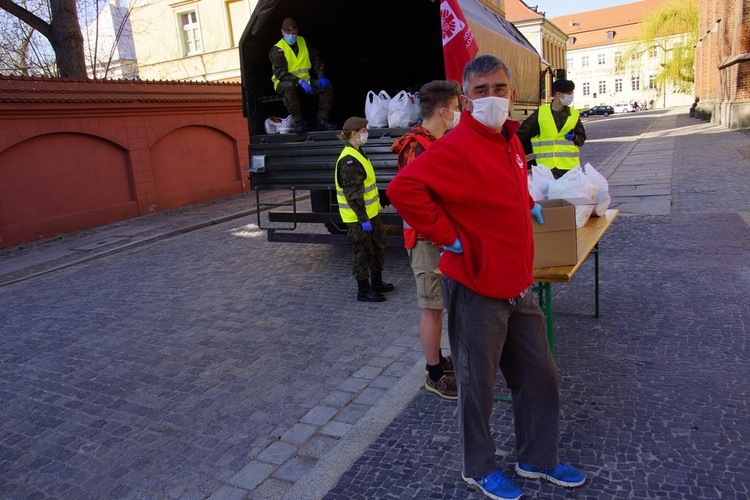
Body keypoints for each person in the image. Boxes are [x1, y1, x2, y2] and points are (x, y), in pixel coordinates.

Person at [387, 55, 586, 500]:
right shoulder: (457, 146)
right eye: (480, 91)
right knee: (478, 386)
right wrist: (447, 236)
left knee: (539, 376)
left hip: (518, 283)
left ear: (512, 94)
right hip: (476, 288)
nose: (491, 98)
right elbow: (403, 190)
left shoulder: (511, 141)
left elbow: (505, 188)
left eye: (499, 88)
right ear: (466, 99)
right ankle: (477, 467)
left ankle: (536, 458)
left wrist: (525, 205)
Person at [390, 80, 461, 400]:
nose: (459, 113)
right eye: (457, 108)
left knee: (439, 305)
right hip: (426, 240)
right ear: (443, 110)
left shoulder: (435, 142)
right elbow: (416, 200)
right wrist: (442, 235)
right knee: (432, 308)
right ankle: (433, 373)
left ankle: (438, 358)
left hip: (439, 238)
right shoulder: (417, 147)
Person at [335, 116, 395, 302]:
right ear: (353, 134)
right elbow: (352, 194)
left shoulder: (359, 152)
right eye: (362, 130)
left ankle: (377, 283)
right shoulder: (348, 161)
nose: (365, 133)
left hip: (370, 214)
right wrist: (363, 219)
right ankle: (363, 291)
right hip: (357, 218)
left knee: (379, 245)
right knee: (362, 252)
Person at [269, 17, 336, 133]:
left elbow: (315, 58)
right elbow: (280, 73)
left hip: (306, 83)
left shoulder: (302, 41)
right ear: (282, 32)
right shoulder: (277, 49)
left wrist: (321, 75)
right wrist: (299, 81)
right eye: (288, 33)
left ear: (297, 31)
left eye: (293, 33)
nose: (291, 36)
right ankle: (298, 122)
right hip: (284, 84)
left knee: (327, 87)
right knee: (289, 87)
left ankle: (321, 120)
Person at [516, 78, 586, 179]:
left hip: (569, 169)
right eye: (569, 93)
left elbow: (581, 140)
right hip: (545, 169)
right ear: (558, 94)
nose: (571, 96)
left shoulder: (574, 115)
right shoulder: (541, 113)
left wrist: (574, 137)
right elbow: (521, 134)